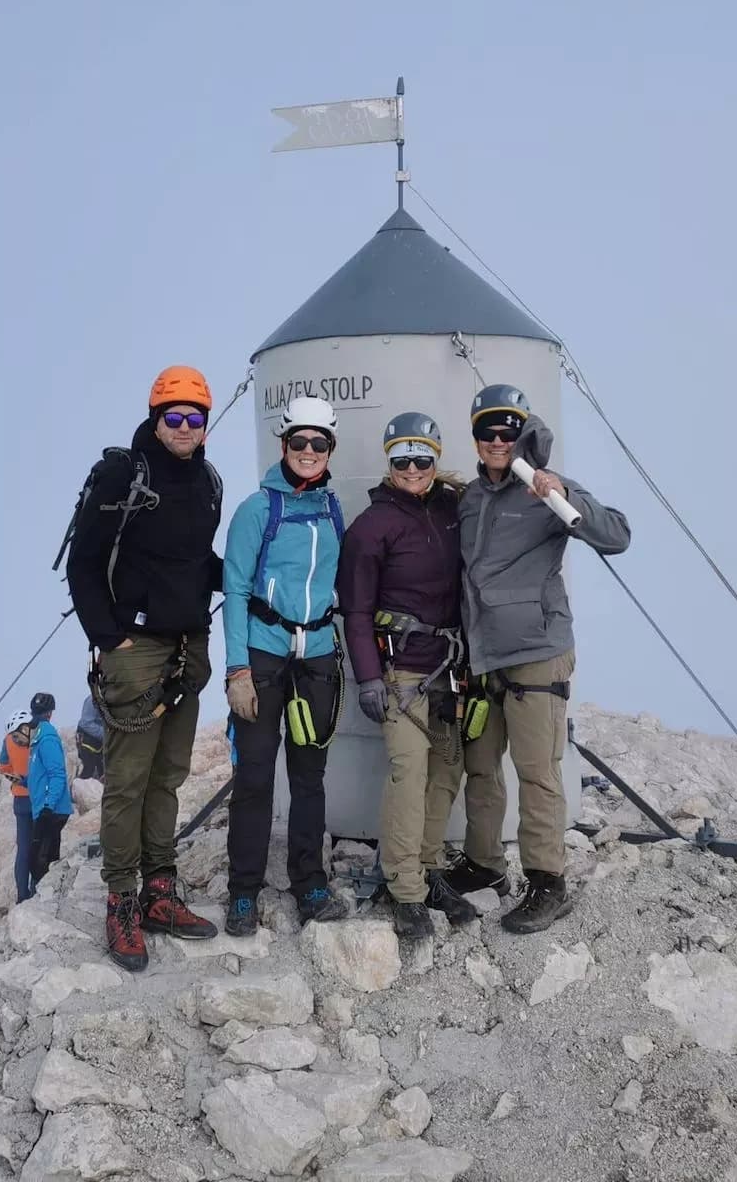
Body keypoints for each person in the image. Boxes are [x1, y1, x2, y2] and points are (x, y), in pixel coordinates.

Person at [447, 383, 632, 933]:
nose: (498, 439)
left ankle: (548, 881)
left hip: (536, 655)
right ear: (476, 438)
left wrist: (563, 496)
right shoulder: (472, 498)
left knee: (536, 771)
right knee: (480, 767)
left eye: (508, 429)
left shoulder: (546, 490)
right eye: (487, 430)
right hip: (482, 656)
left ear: (522, 431)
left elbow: (616, 535)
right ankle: (484, 864)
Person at [65, 364, 223, 970]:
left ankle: (161, 890)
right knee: (128, 780)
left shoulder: (206, 480)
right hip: (136, 647)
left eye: (194, 417)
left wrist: (243, 578)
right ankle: (122, 901)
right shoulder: (122, 474)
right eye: (173, 416)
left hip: (190, 644)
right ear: (156, 418)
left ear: (206, 423)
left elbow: (195, 560)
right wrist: (109, 638)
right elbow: (84, 563)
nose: (184, 426)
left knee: (169, 775)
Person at [337, 411, 479, 941]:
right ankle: (404, 887)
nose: (413, 467)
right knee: (409, 772)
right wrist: (368, 677)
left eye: (422, 458)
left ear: (436, 460)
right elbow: (355, 610)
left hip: (449, 666)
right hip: (400, 672)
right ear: (388, 460)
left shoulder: (450, 507)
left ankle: (426, 867)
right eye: (402, 458)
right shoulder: (372, 527)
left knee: (447, 769)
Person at [220, 395, 352, 935]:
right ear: (283, 445)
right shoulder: (258, 509)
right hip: (264, 653)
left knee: (310, 777)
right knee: (253, 775)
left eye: (318, 443)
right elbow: (234, 588)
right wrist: (237, 670)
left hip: (317, 654)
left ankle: (310, 883)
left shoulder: (332, 508)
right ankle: (243, 891)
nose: (308, 451)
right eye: (299, 441)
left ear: (329, 449)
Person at [26, 691, 74, 888]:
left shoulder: (46, 738)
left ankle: (39, 901)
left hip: (51, 810)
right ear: (50, 713)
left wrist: (48, 806)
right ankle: (40, 897)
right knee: (41, 859)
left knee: (39, 862)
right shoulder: (39, 737)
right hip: (46, 808)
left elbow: (57, 774)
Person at [0, 705, 39, 903]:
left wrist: (18, 779)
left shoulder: (8, 740)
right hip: (38, 799)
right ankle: (36, 890)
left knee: (23, 849)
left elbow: (3, 767)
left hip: (20, 800)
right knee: (39, 846)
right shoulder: (37, 738)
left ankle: (22, 895)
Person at [73, 693, 106, 781]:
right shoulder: (93, 700)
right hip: (88, 743)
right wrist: (107, 734)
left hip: (101, 746)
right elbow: (86, 723)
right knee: (87, 773)